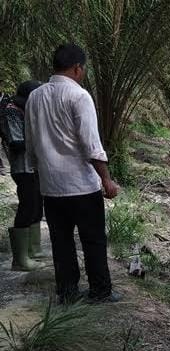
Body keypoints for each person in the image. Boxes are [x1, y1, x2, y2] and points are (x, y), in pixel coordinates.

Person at [25, 43, 121, 303]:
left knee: (61, 243)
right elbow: (92, 145)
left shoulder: (35, 96)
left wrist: (38, 171)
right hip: (81, 186)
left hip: (51, 186)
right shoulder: (79, 96)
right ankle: (100, 291)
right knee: (93, 241)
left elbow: (31, 142)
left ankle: (67, 293)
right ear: (78, 68)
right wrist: (107, 180)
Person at [0, 80, 46, 271]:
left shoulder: (23, 110)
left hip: (33, 167)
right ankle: (20, 260)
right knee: (27, 207)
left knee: (37, 207)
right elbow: (16, 143)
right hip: (22, 167)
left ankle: (32, 250)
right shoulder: (11, 111)